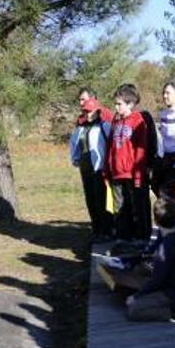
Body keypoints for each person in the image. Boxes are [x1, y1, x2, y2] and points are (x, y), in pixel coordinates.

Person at [127, 198, 175, 321]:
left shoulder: (166, 246)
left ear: (156, 221)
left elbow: (157, 279)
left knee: (134, 309)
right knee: (141, 273)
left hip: (172, 293)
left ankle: (174, 311)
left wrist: (136, 296)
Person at [105, 84, 152, 243]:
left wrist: (139, 174)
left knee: (137, 207)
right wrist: (108, 169)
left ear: (130, 104)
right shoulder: (115, 122)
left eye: (119, 104)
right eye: (115, 104)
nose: (116, 107)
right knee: (120, 208)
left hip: (133, 173)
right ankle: (123, 237)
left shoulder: (138, 121)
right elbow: (110, 147)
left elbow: (141, 150)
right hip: (117, 173)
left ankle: (141, 238)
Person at [69, 97, 113, 243]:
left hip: (100, 169)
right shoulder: (80, 128)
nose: (88, 114)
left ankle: (106, 230)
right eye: (85, 111)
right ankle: (96, 229)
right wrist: (75, 158)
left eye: (90, 111)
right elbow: (75, 145)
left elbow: (110, 147)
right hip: (85, 168)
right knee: (90, 200)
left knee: (102, 200)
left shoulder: (104, 126)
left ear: (97, 111)